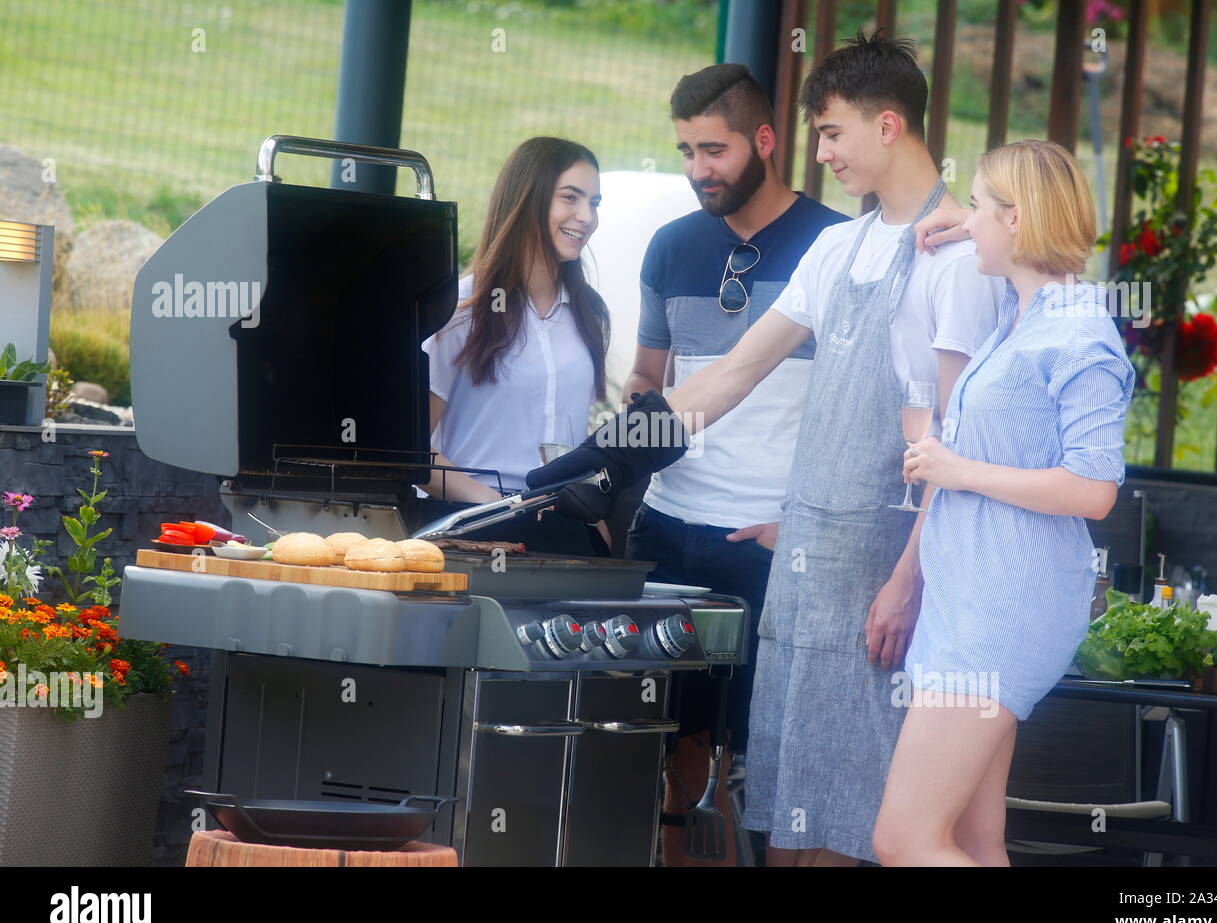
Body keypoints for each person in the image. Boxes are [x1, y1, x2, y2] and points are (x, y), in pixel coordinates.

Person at [530, 29, 1002, 865]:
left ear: (888, 126)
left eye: (831, 133)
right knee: (787, 818)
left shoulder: (958, 255)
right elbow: (729, 377)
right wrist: (605, 454)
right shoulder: (839, 246)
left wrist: (905, 581)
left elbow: (958, 446)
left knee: (860, 823)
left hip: (879, 575)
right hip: (802, 582)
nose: (820, 153)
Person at [871, 139, 1135, 866]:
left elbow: (1094, 490)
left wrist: (958, 470)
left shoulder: (1079, 334)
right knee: (972, 843)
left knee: (904, 842)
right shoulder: (1021, 317)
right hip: (972, 598)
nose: (970, 221)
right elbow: (1003, 439)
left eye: (982, 208)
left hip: (1003, 608)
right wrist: (968, 222)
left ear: (1016, 221)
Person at [622, 62, 849, 867]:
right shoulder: (671, 246)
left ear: (762, 140)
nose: (696, 171)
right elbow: (650, 380)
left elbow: (858, 412)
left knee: (762, 746)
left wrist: (804, 522)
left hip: (771, 536)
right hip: (672, 527)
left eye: (711, 150)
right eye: (684, 150)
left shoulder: (836, 245)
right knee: (674, 752)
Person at [410, 136, 612, 555]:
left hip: (567, 532)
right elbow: (412, 453)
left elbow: (575, 446)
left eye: (594, 202)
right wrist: (498, 505)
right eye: (570, 198)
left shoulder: (589, 313)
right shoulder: (460, 309)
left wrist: (601, 535)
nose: (586, 217)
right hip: (474, 532)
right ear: (528, 200)